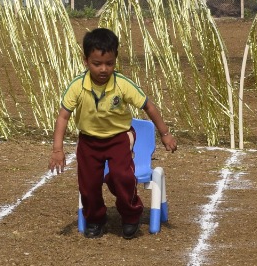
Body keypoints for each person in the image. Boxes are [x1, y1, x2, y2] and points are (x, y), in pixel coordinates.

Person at [49, 28, 176, 239]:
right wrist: (57, 150)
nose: (103, 69)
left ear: (115, 60)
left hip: (119, 138)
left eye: (109, 63)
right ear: (85, 61)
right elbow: (63, 117)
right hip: (89, 142)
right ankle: (96, 218)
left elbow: (149, 106)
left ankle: (131, 214)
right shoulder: (77, 87)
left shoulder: (123, 84)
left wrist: (165, 133)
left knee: (122, 176)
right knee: (88, 184)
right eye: (97, 63)